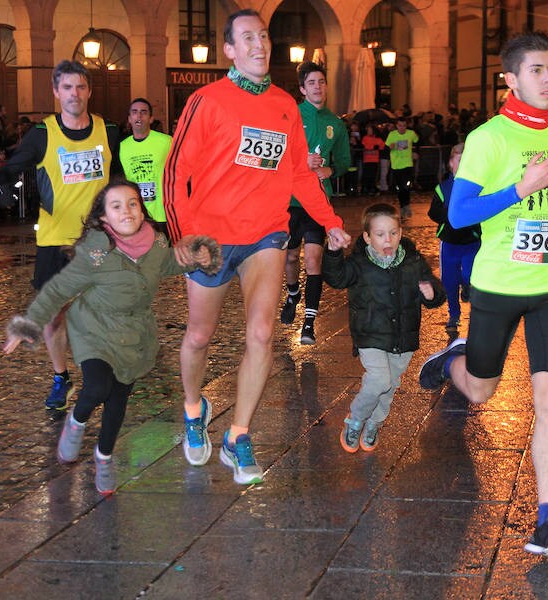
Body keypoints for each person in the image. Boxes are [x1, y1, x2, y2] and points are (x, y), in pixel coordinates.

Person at [418, 32, 548, 562]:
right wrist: (519, 190)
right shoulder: (489, 139)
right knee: (481, 392)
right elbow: (459, 215)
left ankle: (547, 522)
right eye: (536, 71)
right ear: (511, 78)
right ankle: (453, 360)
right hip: (499, 284)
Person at [162, 9, 351, 484]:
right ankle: (193, 407)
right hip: (210, 239)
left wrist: (330, 222)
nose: (258, 44)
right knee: (199, 337)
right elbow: (174, 170)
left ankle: (239, 435)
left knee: (263, 335)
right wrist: (180, 232)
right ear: (228, 49)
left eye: (263, 36)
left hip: (266, 234)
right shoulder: (206, 101)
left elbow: (298, 174)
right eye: (247, 38)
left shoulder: (286, 105)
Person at [3, 180, 220, 495]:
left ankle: (104, 458)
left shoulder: (156, 244)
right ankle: (76, 422)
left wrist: (199, 255)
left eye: (133, 203)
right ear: (103, 218)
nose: (127, 211)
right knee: (97, 387)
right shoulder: (93, 252)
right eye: (116, 206)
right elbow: (57, 289)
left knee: (118, 399)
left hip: (133, 335)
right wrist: (27, 325)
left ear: (142, 209)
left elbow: (169, 263)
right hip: (93, 329)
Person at [0, 59, 121, 412]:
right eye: (67, 88)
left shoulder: (108, 130)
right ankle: (60, 378)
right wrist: (5, 189)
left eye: (80, 87)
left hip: (99, 239)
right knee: (55, 316)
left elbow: (121, 178)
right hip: (55, 240)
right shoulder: (42, 134)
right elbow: (9, 170)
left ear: (89, 91)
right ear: (55, 92)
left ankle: (103, 373)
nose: (74, 94)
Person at [324, 203, 445, 453]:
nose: (387, 239)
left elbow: (434, 289)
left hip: (404, 338)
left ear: (400, 233)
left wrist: (432, 293)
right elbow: (336, 278)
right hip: (370, 334)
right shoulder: (359, 263)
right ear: (367, 237)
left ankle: (375, 423)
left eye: (393, 232)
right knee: (379, 379)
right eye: (380, 234)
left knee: (390, 384)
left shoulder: (413, 261)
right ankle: (356, 418)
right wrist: (334, 253)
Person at [279, 61, 351, 345]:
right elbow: (277, 155)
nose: (318, 87)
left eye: (321, 81)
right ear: (302, 88)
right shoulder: (291, 116)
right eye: (311, 83)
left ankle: (309, 322)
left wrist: (329, 170)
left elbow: (345, 161)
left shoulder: (336, 123)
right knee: (291, 257)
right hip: (289, 200)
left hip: (318, 201)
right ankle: (293, 293)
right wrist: (301, 162)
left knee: (313, 258)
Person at [427, 142, 481, 339]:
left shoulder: (478, 187)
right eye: (460, 160)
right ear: (451, 163)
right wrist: (449, 214)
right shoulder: (443, 188)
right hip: (449, 242)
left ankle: (467, 288)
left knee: (469, 275)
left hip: (471, 242)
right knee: (449, 281)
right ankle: (454, 316)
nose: (464, 163)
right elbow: (433, 213)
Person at [120, 98, 172, 224]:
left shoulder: (167, 141)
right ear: (129, 119)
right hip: (136, 215)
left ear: (151, 118)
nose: (139, 115)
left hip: (162, 214)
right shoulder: (123, 146)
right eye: (134, 112)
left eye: (143, 112)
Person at [385, 117, 419, 219]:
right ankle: (402, 206)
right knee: (400, 188)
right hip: (396, 165)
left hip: (408, 164)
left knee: (406, 186)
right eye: (400, 125)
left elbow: (417, 141)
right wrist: (391, 147)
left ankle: (407, 206)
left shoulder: (411, 133)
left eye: (404, 125)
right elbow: (386, 147)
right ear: (397, 126)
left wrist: (416, 152)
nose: (402, 128)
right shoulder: (392, 135)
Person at [361, 124, 385, 195]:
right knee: (366, 175)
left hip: (374, 160)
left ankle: (371, 188)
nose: (368, 131)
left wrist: (373, 147)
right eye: (368, 130)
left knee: (373, 175)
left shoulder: (378, 139)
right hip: (367, 160)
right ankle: (365, 188)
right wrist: (373, 147)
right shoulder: (365, 138)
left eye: (370, 130)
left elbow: (382, 146)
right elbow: (365, 146)